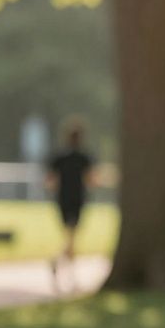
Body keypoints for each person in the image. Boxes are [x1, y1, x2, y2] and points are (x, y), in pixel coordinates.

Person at [44, 120, 95, 293]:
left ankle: (67, 274)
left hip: (62, 201)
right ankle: (60, 266)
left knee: (70, 239)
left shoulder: (59, 157)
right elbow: (91, 180)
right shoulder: (84, 157)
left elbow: (50, 182)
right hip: (77, 200)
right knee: (71, 240)